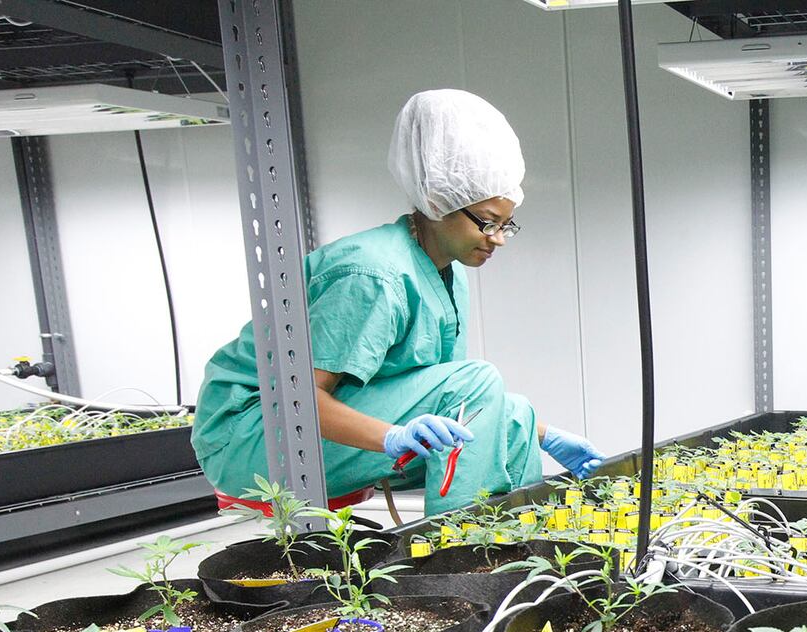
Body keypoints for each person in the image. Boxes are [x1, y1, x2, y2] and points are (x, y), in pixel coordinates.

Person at [194, 89, 604, 517]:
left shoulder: (446, 270)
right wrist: (392, 436)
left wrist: (544, 434)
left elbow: (459, 407)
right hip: (254, 437)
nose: (498, 238)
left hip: (303, 434)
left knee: (514, 413)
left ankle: (517, 552)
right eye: (487, 223)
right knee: (480, 380)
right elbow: (298, 400)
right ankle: (458, 555)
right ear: (438, 202)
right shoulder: (373, 275)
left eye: (507, 225)